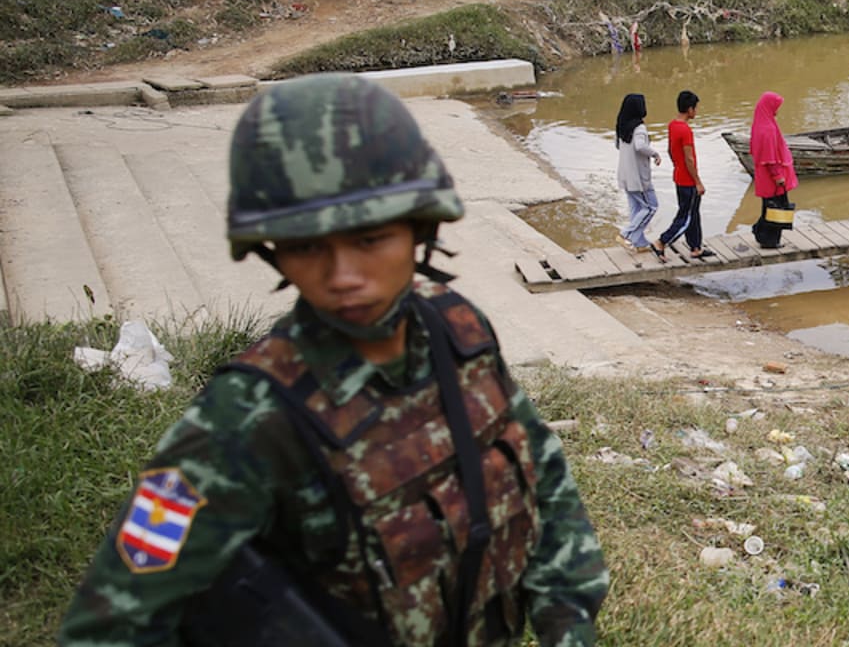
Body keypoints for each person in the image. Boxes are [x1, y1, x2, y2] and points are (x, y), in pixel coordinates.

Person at [59, 74, 607, 646]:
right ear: (272, 251)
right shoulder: (242, 420)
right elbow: (111, 624)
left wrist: (567, 621)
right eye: (306, 246)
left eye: (370, 239)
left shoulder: (457, 331)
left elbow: (541, 473)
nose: (343, 276)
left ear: (419, 228)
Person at [653, 89, 712, 259]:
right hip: (687, 180)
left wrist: (676, 166)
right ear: (690, 109)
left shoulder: (672, 125)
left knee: (692, 212)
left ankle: (695, 247)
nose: (696, 111)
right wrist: (698, 182)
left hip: (678, 175)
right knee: (685, 217)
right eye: (696, 108)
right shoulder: (686, 131)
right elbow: (689, 159)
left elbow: (670, 150)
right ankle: (661, 242)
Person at [748, 91, 799, 248]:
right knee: (776, 207)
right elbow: (770, 157)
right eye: (776, 107)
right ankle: (769, 239)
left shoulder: (760, 124)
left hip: (764, 176)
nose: (777, 110)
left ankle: (761, 233)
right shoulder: (768, 129)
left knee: (768, 206)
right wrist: (778, 176)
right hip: (772, 177)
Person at [615, 92, 662, 253]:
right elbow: (640, 146)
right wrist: (655, 154)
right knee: (651, 207)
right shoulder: (639, 127)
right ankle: (626, 234)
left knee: (636, 208)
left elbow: (619, 146)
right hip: (638, 178)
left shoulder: (622, 126)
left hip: (625, 175)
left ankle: (639, 241)